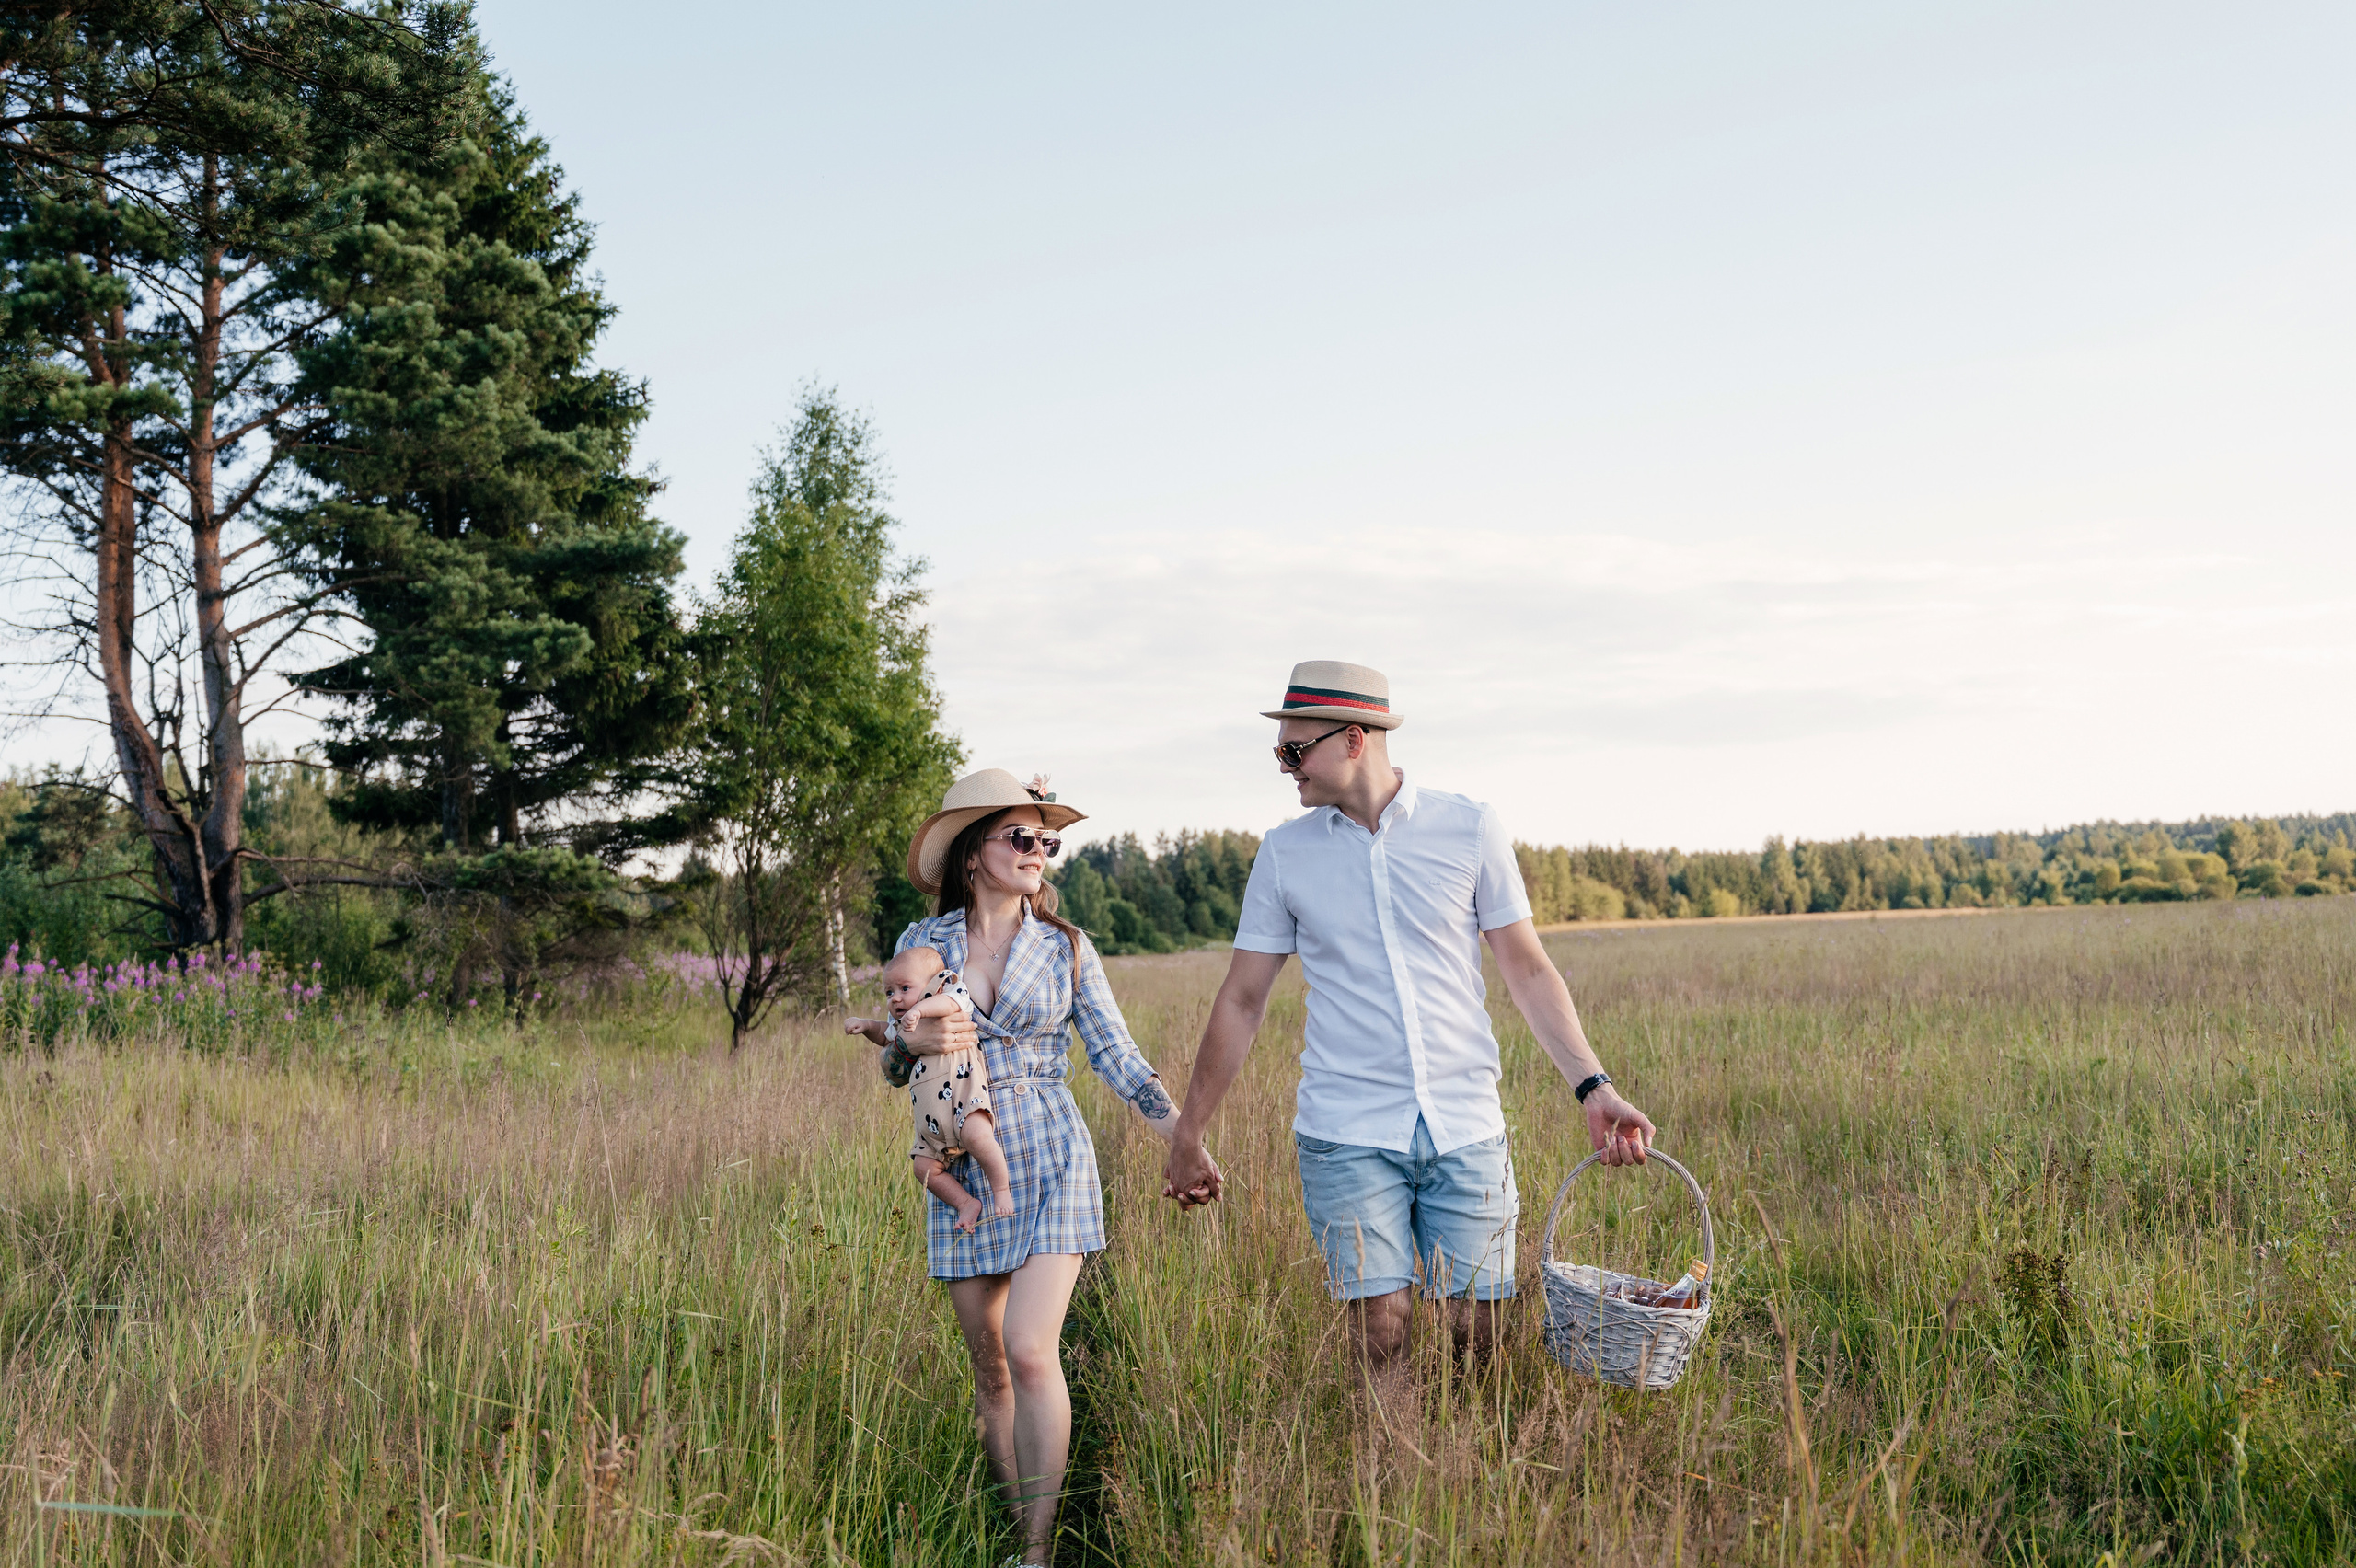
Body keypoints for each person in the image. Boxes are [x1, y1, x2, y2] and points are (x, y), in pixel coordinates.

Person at [1161, 660, 1655, 1382]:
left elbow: (1527, 969)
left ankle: (1468, 1481)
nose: (1283, 768)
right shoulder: (1284, 855)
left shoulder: (1469, 827)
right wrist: (1188, 1133)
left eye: (1294, 751)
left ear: (1355, 739)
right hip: (1346, 1129)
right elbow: (1241, 1000)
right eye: (1280, 752)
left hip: (1464, 1121)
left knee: (1477, 1334)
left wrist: (1595, 1086)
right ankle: (1389, 1481)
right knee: (1381, 1329)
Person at [881, 767, 1206, 1568]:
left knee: (1030, 1349)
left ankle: (1036, 1553)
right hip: (964, 1150)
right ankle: (1009, 1521)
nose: (1039, 852)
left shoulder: (1066, 946)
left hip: (1053, 1151)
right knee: (991, 1369)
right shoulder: (923, 947)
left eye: (1048, 840)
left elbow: (1117, 1055)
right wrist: (906, 1045)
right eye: (1022, 838)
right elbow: (894, 1066)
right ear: (972, 855)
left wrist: (1182, 1135)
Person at [845, 945, 1012, 1234]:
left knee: (978, 1137)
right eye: (889, 993)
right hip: (931, 1127)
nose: (896, 998)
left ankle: (1002, 1188)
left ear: (935, 982)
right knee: (922, 1169)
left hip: (963, 1104)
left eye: (904, 988)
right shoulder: (903, 1024)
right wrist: (865, 1025)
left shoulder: (950, 993)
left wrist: (920, 1010)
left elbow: (951, 1004)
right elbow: (886, 1039)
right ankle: (965, 1203)